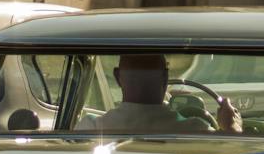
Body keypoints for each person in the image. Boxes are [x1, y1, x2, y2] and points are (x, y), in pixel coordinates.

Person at [81, 53, 242, 134]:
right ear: (165, 78)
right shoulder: (195, 130)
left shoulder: (91, 128)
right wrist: (231, 127)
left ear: (118, 77)